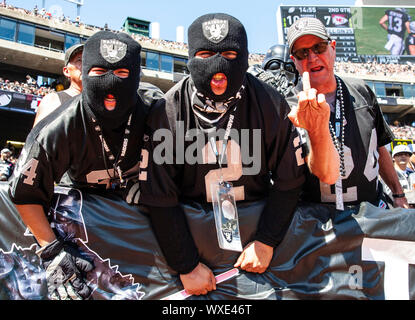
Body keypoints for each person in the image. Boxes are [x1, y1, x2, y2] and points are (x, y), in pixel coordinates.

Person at [137, 13, 339, 296]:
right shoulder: (169, 109)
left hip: (252, 237)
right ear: (191, 57)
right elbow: (159, 196)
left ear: (244, 57)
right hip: (190, 236)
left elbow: (290, 181)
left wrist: (267, 240)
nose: (218, 67)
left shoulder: (269, 103)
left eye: (230, 54)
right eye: (206, 53)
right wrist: (185, 263)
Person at [9, 30, 147, 300]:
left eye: (121, 73)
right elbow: (25, 190)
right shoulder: (59, 120)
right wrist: (50, 248)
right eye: (97, 69)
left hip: (130, 214)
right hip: (79, 207)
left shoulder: (154, 106)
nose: (111, 82)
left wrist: (152, 182)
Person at [285, 17, 408, 209]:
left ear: (333, 48)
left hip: (371, 210)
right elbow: (324, 174)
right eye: (302, 52)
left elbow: (379, 146)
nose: (312, 57)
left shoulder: (361, 90)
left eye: (319, 47)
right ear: (294, 61)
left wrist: (398, 192)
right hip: (318, 222)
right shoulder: (288, 107)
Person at [33, 43, 83, 126]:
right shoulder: (53, 99)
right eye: (79, 60)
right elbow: (37, 137)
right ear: (66, 71)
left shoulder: (100, 103)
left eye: (88, 60)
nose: (85, 64)